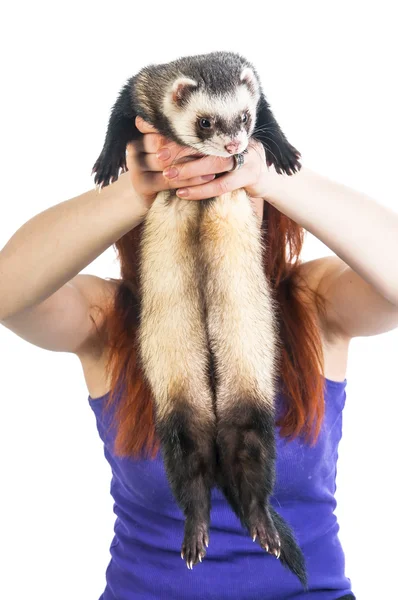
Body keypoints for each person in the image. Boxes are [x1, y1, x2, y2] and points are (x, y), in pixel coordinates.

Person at [1, 115, 397, 600]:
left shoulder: (313, 301)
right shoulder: (108, 318)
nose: (211, 203)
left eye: (229, 184)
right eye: (188, 188)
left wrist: (269, 169)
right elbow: (7, 292)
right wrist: (134, 189)